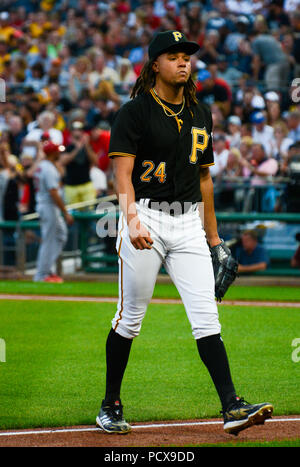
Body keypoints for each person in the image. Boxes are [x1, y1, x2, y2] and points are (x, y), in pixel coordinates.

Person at [96, 30, 273, 437]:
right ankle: (110, 404)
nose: (183, 62)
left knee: (207, 317)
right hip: (146, 216)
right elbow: (122, 174)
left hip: (189, 221)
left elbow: (204, 179)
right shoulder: (135, 112)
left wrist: (214, 239)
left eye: (186, 56)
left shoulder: (201, 112)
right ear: (154, 65)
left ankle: (231, 406)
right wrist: (131, 219)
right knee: (130, 319)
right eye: (173, 56)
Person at [33, 140, 73, 283]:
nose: (59, 153)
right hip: (49, 206)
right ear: (52, 153)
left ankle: (47, 270)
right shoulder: (48, 168)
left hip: (47, 205)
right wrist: (65, 212)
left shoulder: (46, 166)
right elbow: (53, 192)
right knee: (49, 240)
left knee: (60, 235)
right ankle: (42, 274)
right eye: (57, 151)